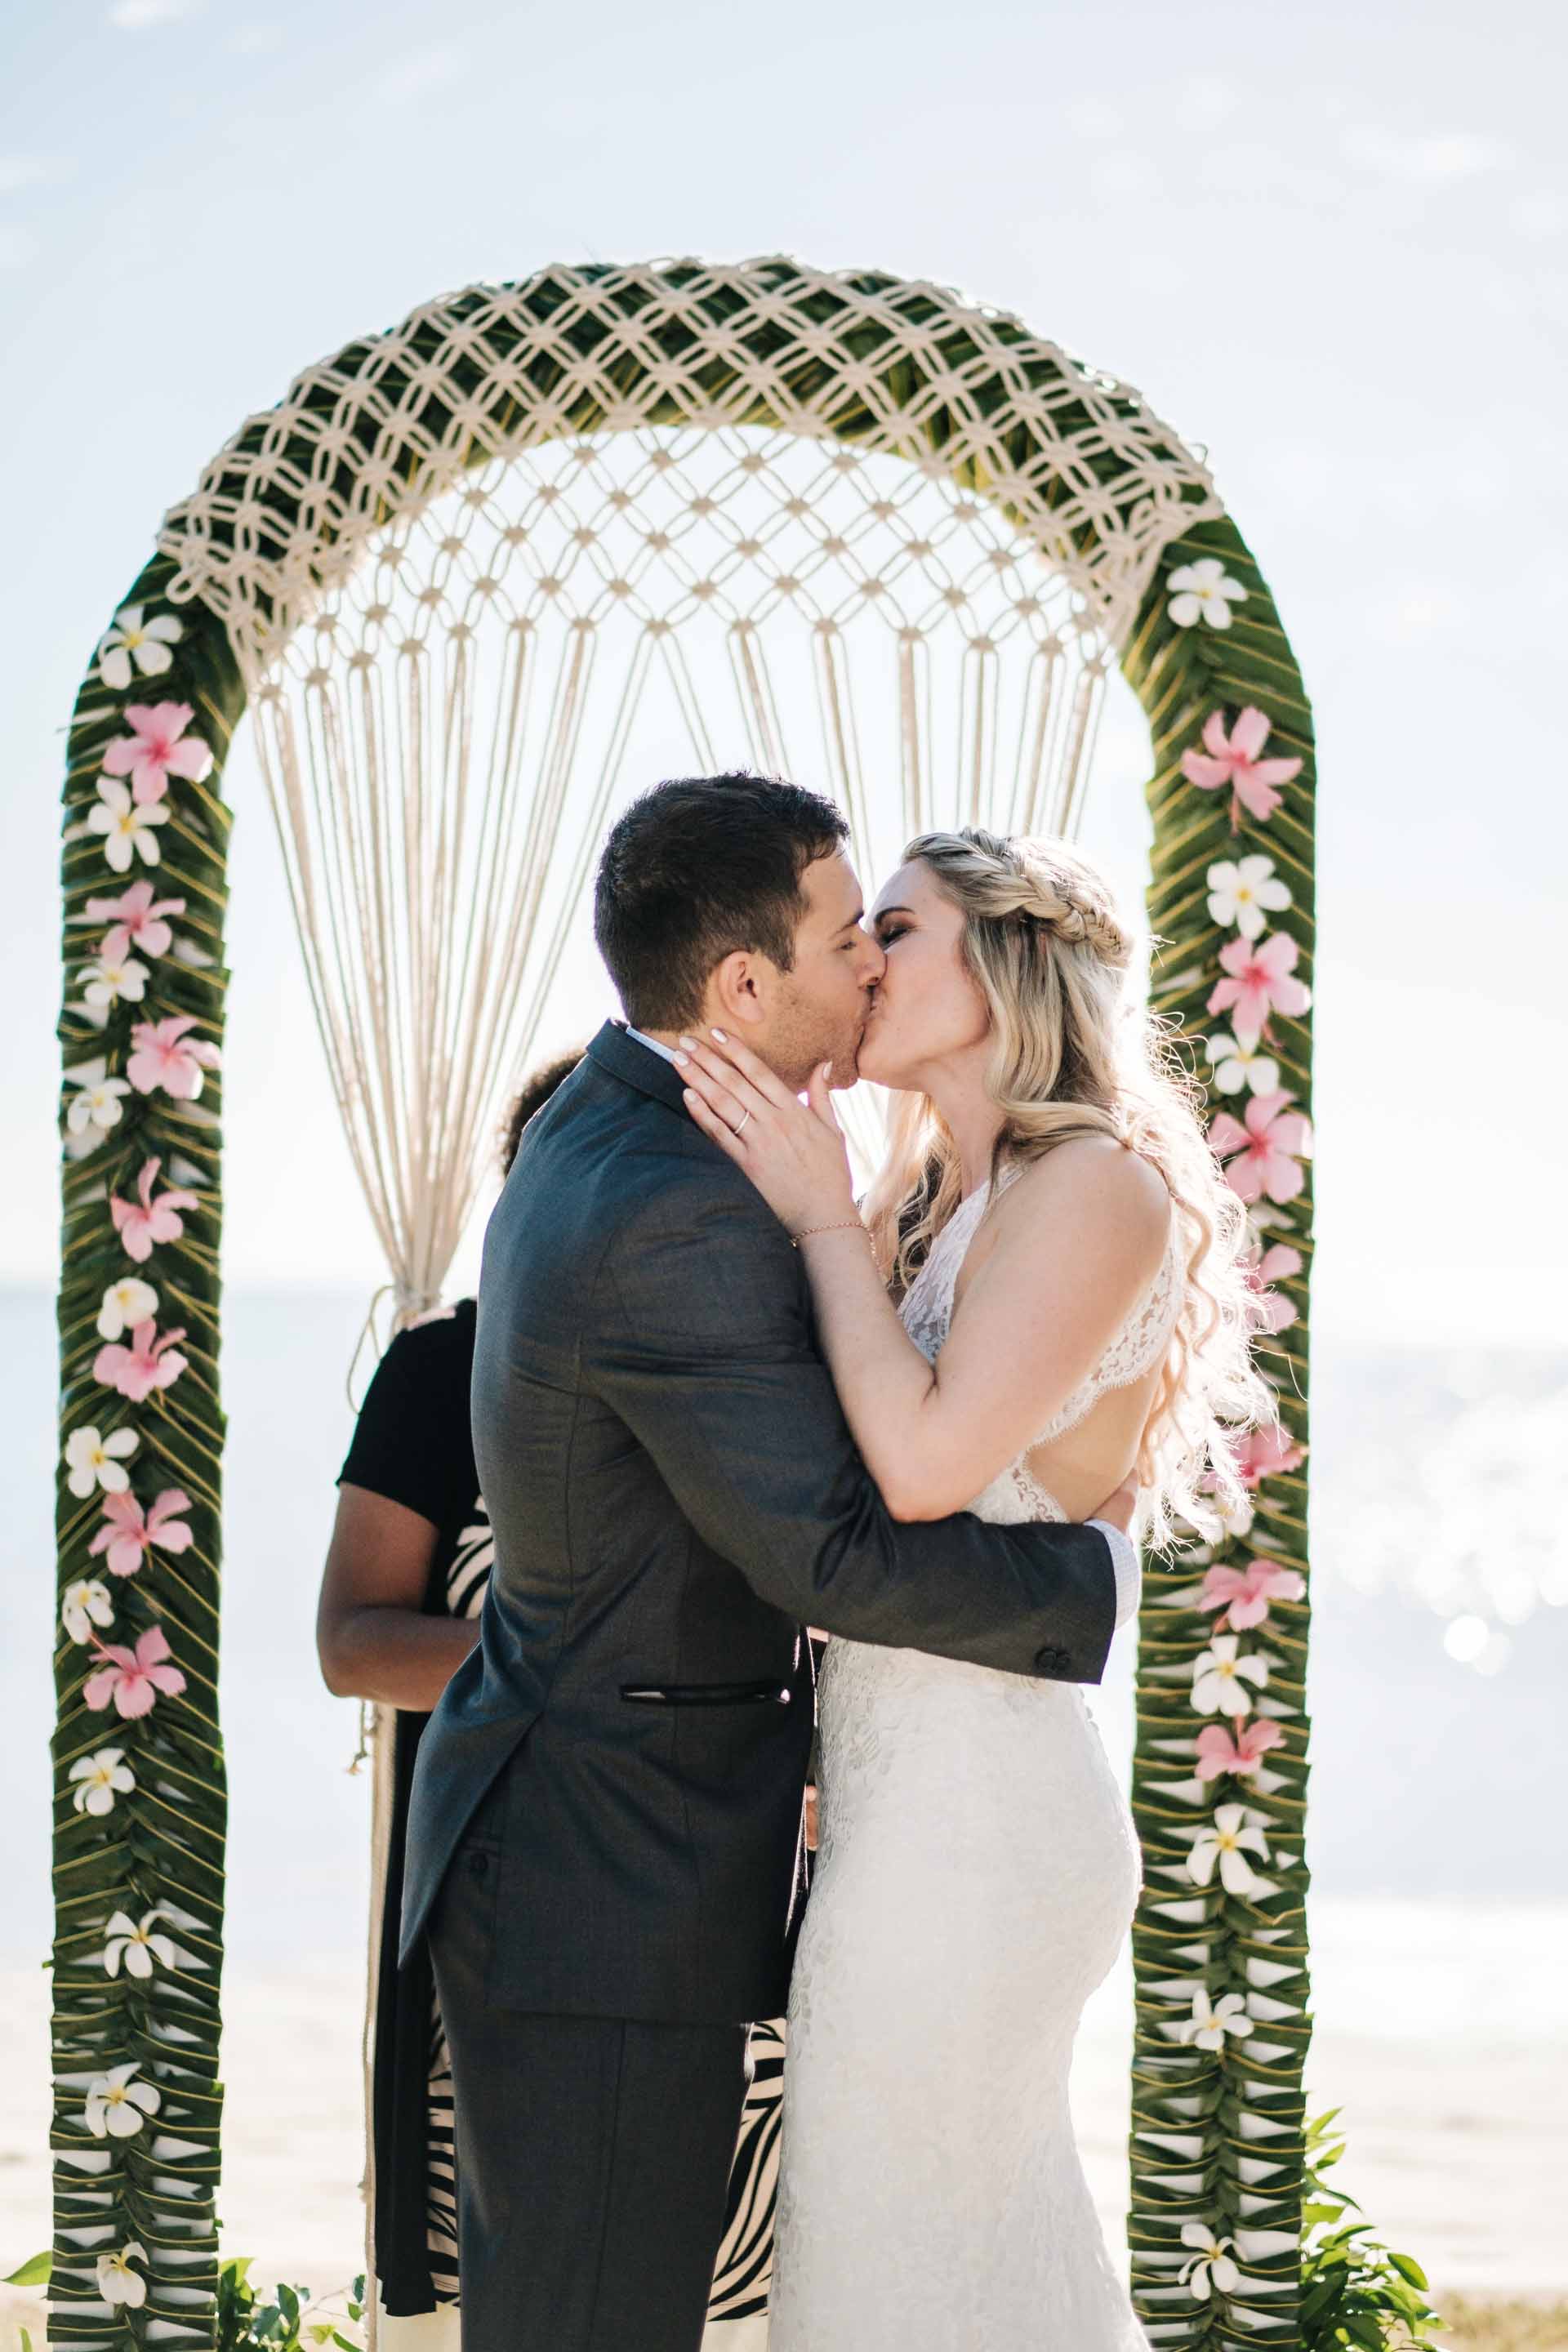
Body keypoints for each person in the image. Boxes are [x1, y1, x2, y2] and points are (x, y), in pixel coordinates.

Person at [399, 773, 1141, 2352]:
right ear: (746, 987)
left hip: (797, 1834)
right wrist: (1091, 1589)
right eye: (848, 934)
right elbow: (828, 1547)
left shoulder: (648, 1147)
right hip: (610, 1869)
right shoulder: (681, 1202)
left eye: (896, 932)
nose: (870, 965)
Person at [676, 826, 1271, 2350]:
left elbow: (927, 1471)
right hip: (893, 1809)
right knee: (900, 2267)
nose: (864, 963)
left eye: (899, 928)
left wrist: (821, 1218)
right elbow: (818, 1486)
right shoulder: (933, 1198)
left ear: (1008, 957)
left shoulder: (1098, 1187)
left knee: (892, 2270)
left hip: (985, 1830)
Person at [316, 1049, 583, 2340]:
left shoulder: (746, 1378)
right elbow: (353, 1644)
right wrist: (567, 1682)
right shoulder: (442, 1371)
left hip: (714, 1907)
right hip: (486, 1902)